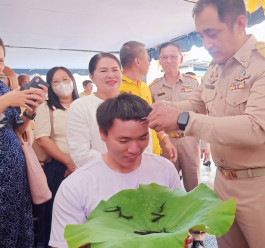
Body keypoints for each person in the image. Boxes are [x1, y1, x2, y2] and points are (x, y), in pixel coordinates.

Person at [148, 0, 265, 248]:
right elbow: (196, 103)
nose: (206, 43)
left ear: (240, 23)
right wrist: (158, 108)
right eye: (202, 34)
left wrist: (182, 120)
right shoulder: (216, 68)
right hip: (224, 182)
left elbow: (255, 127)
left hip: (263, 186)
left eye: (212, 33)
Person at [49, 93, 181, 248]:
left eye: (142, 138)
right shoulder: (75, 186)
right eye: (123, 141)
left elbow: (180, 222)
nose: (134, 149)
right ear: (103, 134)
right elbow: (63, 244)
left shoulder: (164, 169)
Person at [0, 37, 46, 248]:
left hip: (13, 173)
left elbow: (16, 128)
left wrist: (30, 111)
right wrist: (7, 100)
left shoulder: (3, 88)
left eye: (1, 60)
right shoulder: (5, 94)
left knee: (16, 228)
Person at [150, 42, 210, 191]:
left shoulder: (193, 83)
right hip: (166, 142)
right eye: (164, 57)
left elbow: (203, 112)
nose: (168, 61)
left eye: (173, 57)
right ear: (160, 61)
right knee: (167, 187)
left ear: (181, 59)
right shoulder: (153, 87)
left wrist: (205, 144)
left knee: (194, 186)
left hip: (190, 140)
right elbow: (152, 117)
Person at [33, 67, 79, 247]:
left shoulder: (83, 104)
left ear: (73, 81)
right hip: (58, 168)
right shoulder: (46, 107)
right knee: (52, 216)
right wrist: (69, 162)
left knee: (80, 215)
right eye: (56, 81)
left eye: (66, 79)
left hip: (85, 165)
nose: (62, 84)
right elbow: (42, 139)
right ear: (50, 86)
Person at [118, 41, 176, 161]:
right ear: (138, 61)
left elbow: (151, 118)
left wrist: (165, 140)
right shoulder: (117, 88)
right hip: (133, 157)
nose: (149, 63)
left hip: (154, 152)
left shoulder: (144, 87)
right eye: (147, 59)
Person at [66, 52, 122, 168]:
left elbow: (145, 142)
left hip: (133, 174)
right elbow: (81, 154)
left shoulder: (133, 103)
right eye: (103, 71)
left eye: (115, 70)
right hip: (95, 175)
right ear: (91, 77)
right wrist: (119, 164)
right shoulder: (80, 106)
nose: (111, 75)